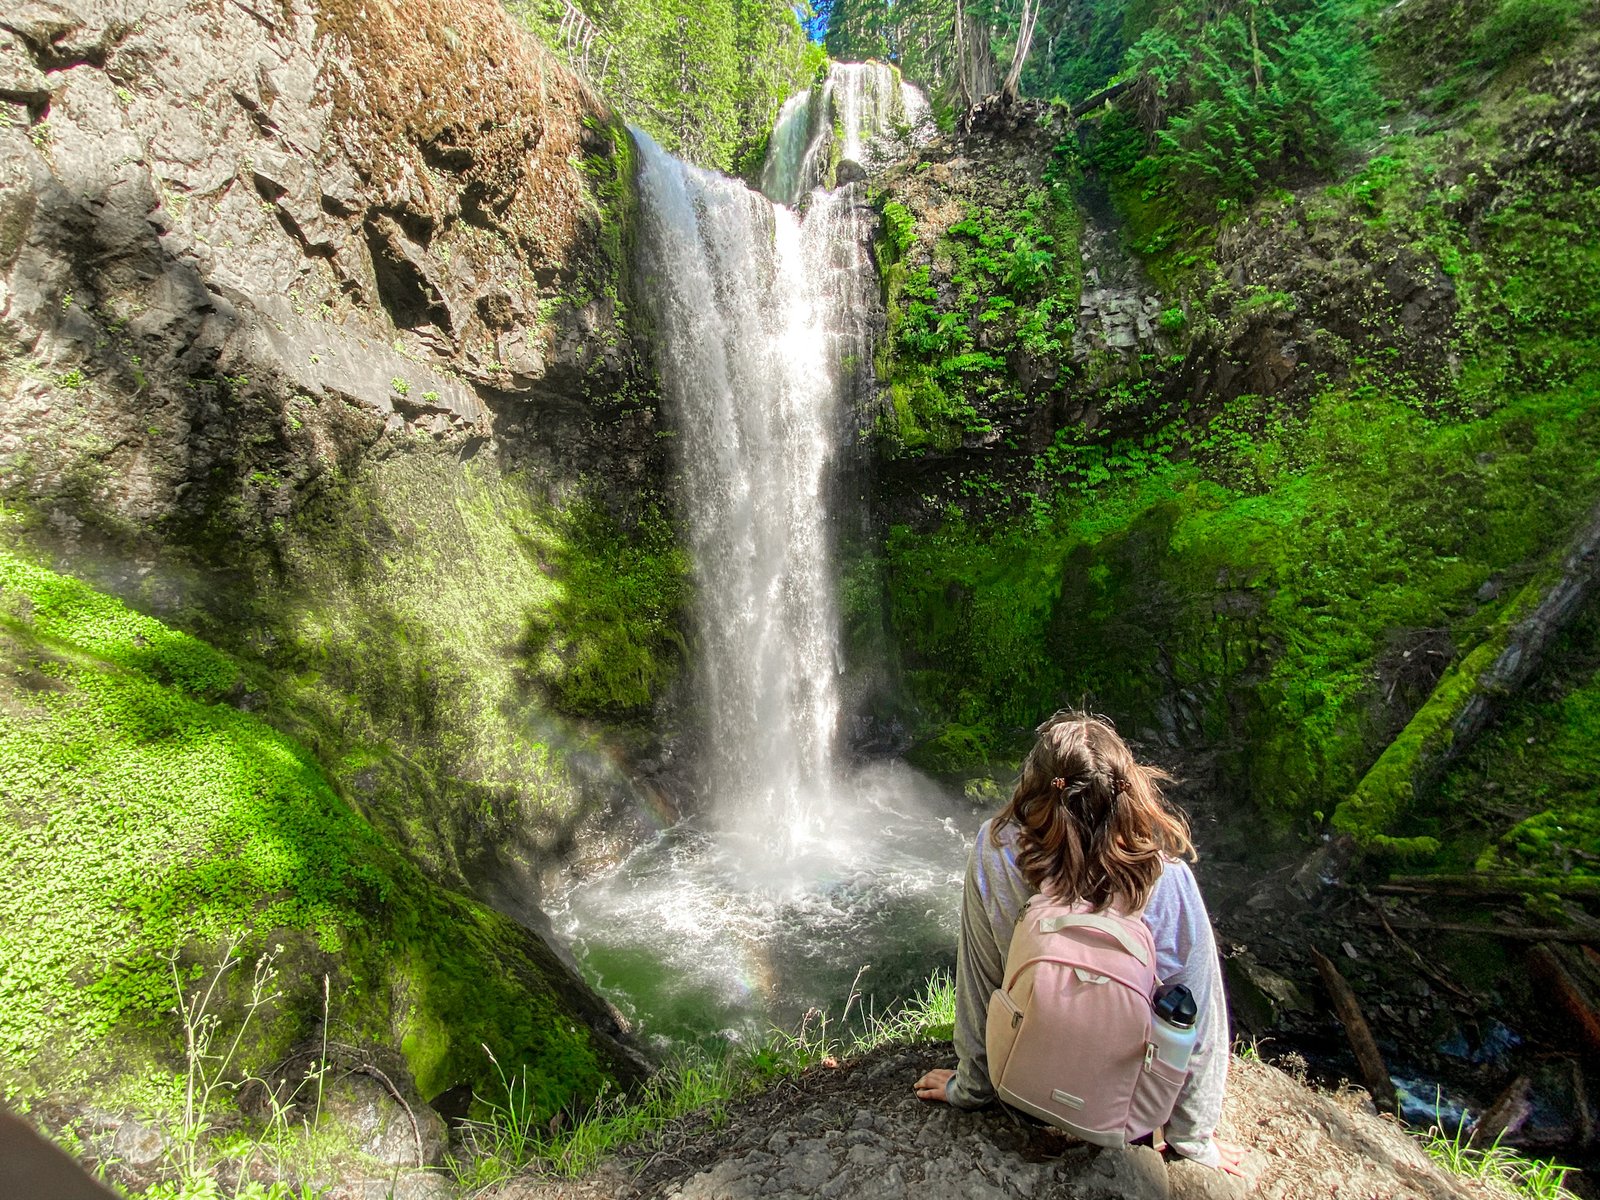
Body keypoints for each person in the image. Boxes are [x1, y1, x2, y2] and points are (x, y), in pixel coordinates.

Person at [913, 710, 1244, 1174]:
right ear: (1129, 789)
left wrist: (971, 1088)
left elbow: (983, 979)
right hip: (1127, 1106)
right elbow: (1197, 1010)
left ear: (1036, 784)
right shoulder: (1163, 873)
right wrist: (1193, 1136)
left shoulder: (998, 850)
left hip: (1022, 1081)